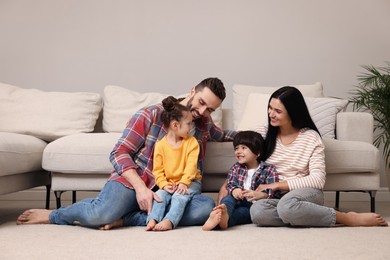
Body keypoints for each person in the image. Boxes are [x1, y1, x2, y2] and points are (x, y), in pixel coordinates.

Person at [16, 77, 237, 229]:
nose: (202, 112)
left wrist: (258, 136)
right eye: (201, 103)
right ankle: (55, 215)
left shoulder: (204, 124)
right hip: (137, 180)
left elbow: (224, 134)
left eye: (210, 109)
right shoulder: (150, 114)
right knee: (100, 214)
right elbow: (119, 152)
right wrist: (141, 189)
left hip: (171, 189)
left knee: (205, 209)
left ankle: (127, 219)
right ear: (192, 92)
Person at [218, 86, 388, 227]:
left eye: (278, 111)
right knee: (257, 212)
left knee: (287, 206)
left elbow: (317, 180)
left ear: (293, 113)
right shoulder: (264, 132)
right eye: (270, 108)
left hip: (306, 192)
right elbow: (240, 139)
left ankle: (345, 217)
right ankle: (299, 214)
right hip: (277, 198)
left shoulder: (310, 137)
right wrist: (228, 184)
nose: (271, 114)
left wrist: (277, 185)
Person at [203, 130, 279, 231]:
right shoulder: (236, 167)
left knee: (242, 214)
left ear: (257, 153)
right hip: (237, 200)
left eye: (243, 148)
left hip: (253, 205)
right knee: (228, 200)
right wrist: (234, 190)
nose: (238, 151)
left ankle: (224, 221)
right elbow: (230, 183)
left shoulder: (268, 169)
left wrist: (261, 195)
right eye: (236, 148)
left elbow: (273, 190)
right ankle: (222, 212)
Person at [146, 96, 202, 231]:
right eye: (188, 123)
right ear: (175, 125)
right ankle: (153, 219)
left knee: (179, 196)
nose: (191, 127)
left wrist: (184, 183)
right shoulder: (160, 145)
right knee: (159, 195)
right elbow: (157, 171)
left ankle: (170, 221)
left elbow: (191, 167)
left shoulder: (192, 142)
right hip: (170, 183)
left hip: (191, 182)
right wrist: (164, 185)